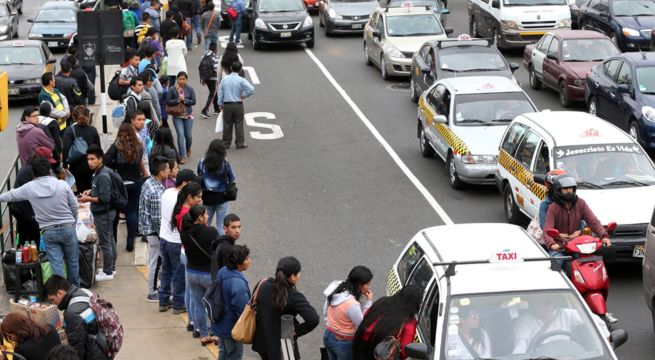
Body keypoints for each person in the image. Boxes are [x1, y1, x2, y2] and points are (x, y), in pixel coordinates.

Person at [0, 157, 80, 286]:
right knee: (73, 262)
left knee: (56, 264)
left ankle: (61, 293)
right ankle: (75, 291)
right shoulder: (62, 185)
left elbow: (10, 195)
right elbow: (75, 207)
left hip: (49, 232)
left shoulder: (29, 188)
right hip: (68, 228)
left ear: (33, 173)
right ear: (49, 171)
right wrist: (73, 222)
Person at [252, 256, 319, 360]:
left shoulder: (263, 284)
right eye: (299, 273)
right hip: (284, 345)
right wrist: (295, 331)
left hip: (263, 341)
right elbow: (314, 319)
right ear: (293, 276)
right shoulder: (293, 296)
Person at [158, 172, 201, 313]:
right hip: (176, 242)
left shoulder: (167, 192)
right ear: (184, 184)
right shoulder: (184, 204)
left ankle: (163, 301)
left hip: (163, 237)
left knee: (166, 271)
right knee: (178, 275)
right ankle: (178, 304)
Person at [542, 174, 611, 255]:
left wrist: (604, 236)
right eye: (565, 189)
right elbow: (547, 230)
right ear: (559, 190)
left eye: (570, 188)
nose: (568, 191)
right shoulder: (553, 207)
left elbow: (593, 221)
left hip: (577, 245)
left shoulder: (581, 203)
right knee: (556, 263)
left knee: (591, 261)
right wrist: (552, 244)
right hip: (560, 247)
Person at [105, 122, 147, 252]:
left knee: (116, 212)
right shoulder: (139, 147)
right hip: (135, 183)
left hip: (119, 184)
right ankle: (130, 242)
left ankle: (114, 241)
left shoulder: (116, 146)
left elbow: (105, 162)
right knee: (132, 212)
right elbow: (140, 162)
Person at [44, 275, 109, 360]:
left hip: (95, 354)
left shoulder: (72, 314)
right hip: (104, 343)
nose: (53, 304)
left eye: (52, 299)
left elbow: (76, 351)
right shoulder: (83, 291)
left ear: (60, 293)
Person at [352, 285, 422, 360]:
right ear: (416, 304)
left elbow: (366, 317)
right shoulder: (409, 322)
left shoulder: (383, 301)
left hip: (360, 345)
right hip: (381, 355)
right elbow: (404, 352)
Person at [180, 204, 215, 345]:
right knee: (213, 304)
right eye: (206, 214)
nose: (207, 216)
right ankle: (215, 332)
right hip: (207, 274)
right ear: (200, 217)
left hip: (191, 273)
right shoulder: (211, 232)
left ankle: (203, 333)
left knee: (198, 304)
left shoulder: (184, 232)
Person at [9, 148, 58, 248]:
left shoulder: (32, 168)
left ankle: (26, 252)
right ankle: (29, 257)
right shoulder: (30, 172)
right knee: (31, 236)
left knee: (27, 234)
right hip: (22, 208)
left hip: (23, 206)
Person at [322, 266, 374, 360]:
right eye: (367, 284)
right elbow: (361, 324)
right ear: (359, 285)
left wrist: (331, 325)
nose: (369, 287)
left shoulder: (337, 288)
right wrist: (369, 302)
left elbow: (325, 310)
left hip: (328, 335)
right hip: (343, 343)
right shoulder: (352, 304)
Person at [138, 157, 170, 301]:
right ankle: (152, 291)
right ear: (162, 172)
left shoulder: (149, 182)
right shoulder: (156, 192)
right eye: (168, 169)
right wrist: (163, 235)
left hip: (147, 227)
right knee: (156, 261)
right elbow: (157, 219)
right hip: (153, 231)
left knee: (154, 260)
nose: (169, 171)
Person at [213, 244, 252, 360]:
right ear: (239, 263)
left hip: (220, 322)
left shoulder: (223, 271)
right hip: (231, 327)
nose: (250, 261)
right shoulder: (238, 283)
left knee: (223, 352)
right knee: (234, 355)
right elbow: (242, 310)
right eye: (247, 259)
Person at [512, 297, 583, 354]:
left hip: (568, 355)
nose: (545, 307)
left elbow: (588, 319)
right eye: (540, 304)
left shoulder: (566, 314)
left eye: (548, 303)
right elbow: (521, 346)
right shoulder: (524, 321)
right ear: (533, 305)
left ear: (554, 303)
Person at [197, 139, 235, 228]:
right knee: (221, 226)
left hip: (207, 198)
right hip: (222, 197)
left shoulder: (202, 161)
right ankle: (221, 242)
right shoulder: (224, 163)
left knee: (206, 224)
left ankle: (206, 241)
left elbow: (199, 174)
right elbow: (232, 178)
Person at [63, 105, 101, 193]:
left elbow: (66, 149)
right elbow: (98, 148)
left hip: (76, 167)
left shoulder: (69, 131)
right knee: (92, 191)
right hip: (92, 166)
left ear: (73, 117)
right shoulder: (93, 130)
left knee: (79, 193)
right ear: (88, 116)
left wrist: (65, 166)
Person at [218, 61, 253, 149]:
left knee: (227, 124)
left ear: (231, 68)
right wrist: (243, 96)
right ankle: (240, 143)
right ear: (240, 69)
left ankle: (226, 143)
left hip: (227, 104)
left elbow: (221, 93)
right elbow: (251, 89)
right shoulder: (241, 80)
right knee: (239, 123)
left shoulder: (225, 79)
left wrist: (220, 104)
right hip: (238, 104)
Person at [167, 71, 196, 163]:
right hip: (177, 115)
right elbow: (168, 102)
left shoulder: (190, 89)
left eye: (184, 79)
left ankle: (188, 147)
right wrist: (178, 100)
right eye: (180, 79)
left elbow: (193, 101)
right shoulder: (172, 89)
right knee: (180, 135)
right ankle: (182, 155)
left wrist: (185, 100)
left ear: (186, 80)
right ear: (177, 79)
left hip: (188, 115)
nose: (182, 81)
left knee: (189, 136)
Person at [210, 213, 241, 279]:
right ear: (225, 229)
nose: (237, 231)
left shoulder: (220, 241)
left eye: (239, 227)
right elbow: (228, 274)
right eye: (233, 227)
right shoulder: (228, 248)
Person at [200, 42, 220, 119]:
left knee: (213, 92)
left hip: (206, 78)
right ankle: (205, 110)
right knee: (212, 94)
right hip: (213, 78)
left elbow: (201, 67)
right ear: (215, 49)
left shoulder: (204, 56)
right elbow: (216, 69)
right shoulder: (215, 57)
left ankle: (217, 109)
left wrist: (203, 78)